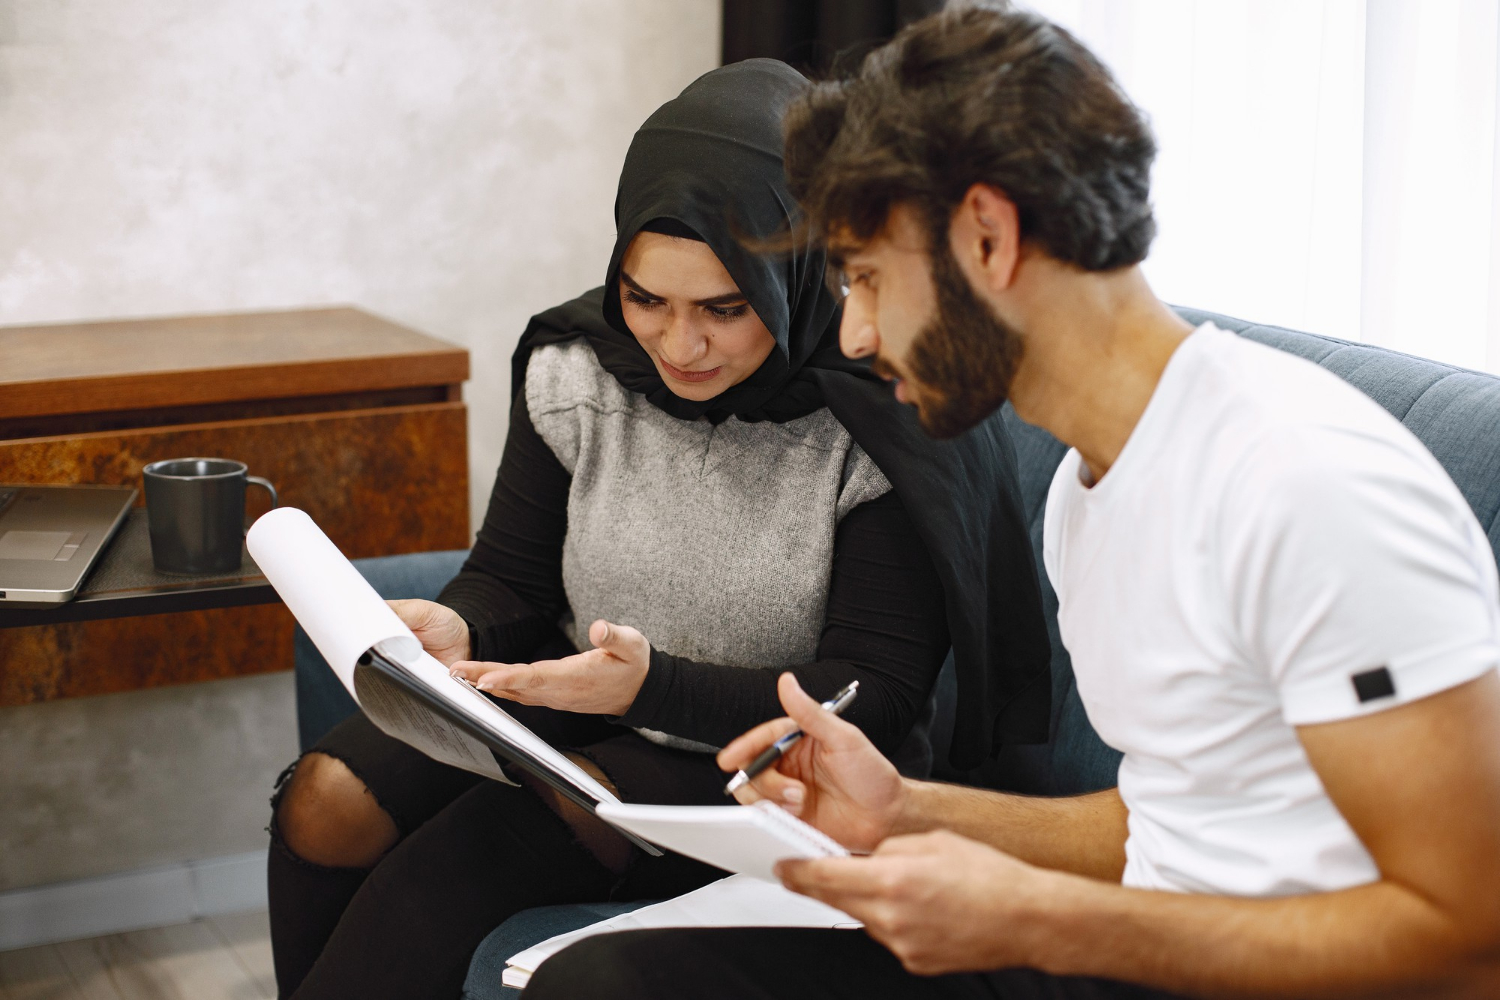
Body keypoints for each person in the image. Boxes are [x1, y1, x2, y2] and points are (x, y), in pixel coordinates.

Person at [521, 6, 1500, 999]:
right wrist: (903, 810)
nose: (852, 334)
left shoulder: (1303, 486)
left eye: (864, 278)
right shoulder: (1093, 486)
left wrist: (1033, 913)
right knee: (612, 978)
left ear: (986, 237)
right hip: (1142, 957)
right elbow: (1177, 822)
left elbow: (1471, 936)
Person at [265, 57, 1052, 1000]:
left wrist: (652, 689)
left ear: (798, 280)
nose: (680, 346)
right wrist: (462, 626)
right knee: (322, 801)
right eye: (648, 299)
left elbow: (871, 695)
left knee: (462, 861)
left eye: (726, 309)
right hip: (570, 709)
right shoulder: (577, 368)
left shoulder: (881, 415)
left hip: (760, 770)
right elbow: (513, 580)